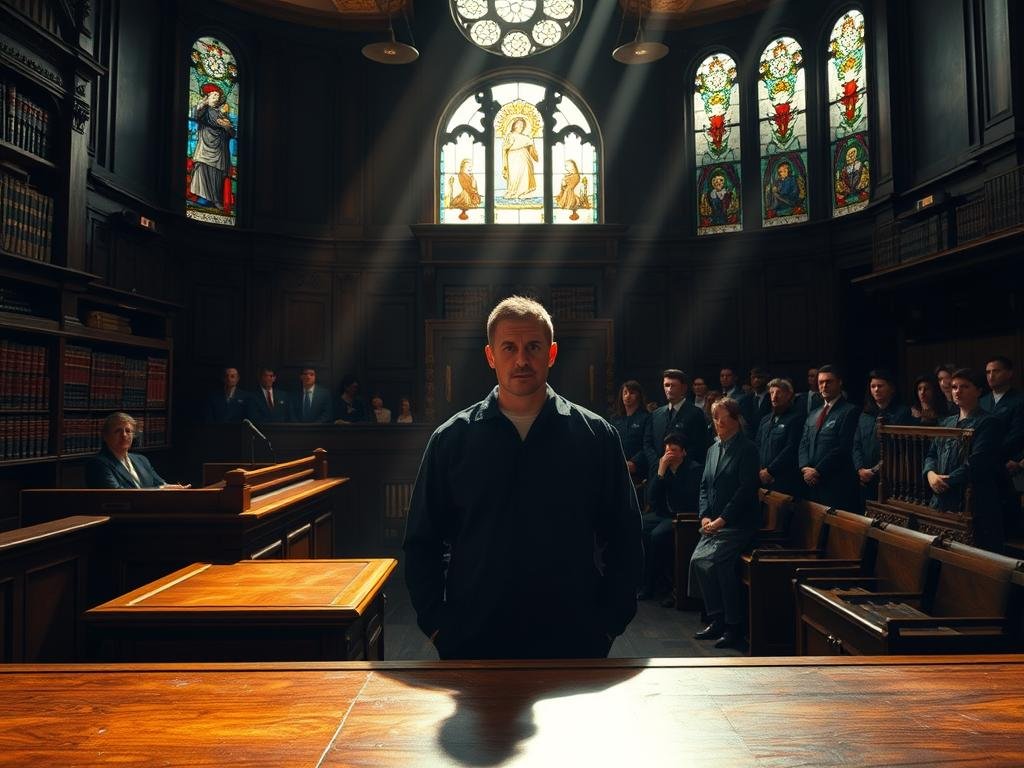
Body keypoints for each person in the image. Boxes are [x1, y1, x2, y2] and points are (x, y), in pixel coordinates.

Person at [403, 296, 643, 660]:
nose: (521, 360)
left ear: (551, 353)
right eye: (509, 348)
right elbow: (422, 541)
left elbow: (625, 537)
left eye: (533, 347)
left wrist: (608, 624)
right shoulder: (451, 439)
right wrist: (438, 626)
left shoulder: (596, 436)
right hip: (473, 639)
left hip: (573, 639)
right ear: (490, 356)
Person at [689, 397, 760, 649]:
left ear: (736, 419)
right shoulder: (712, 449)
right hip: (714, 522)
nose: (717, 422)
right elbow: (704, 487)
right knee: (698, 561)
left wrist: (722, 519)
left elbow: (745, 490)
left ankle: (733, 626)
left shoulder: (747, 449)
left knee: (719, 563)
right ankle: (716, 618)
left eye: (722, 417)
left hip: (738, 523)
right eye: (714, 417)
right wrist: (705, 515)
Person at [923, 368, 1005, 552]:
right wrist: (930, 474)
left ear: (978, 391)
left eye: (964, 387)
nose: (957, 391)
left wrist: (947, 480)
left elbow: (978, 462)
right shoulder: (946, 422)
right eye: (954, 387)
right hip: (942, 498)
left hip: (973, 500)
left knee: (976, 555)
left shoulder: (989, 422)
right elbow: (931, 454)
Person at [640, 432, 702, 604]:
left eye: (674, 450)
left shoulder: (694, 470)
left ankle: (661, 586)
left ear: (683, 452)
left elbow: (687, 500)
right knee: (638, 525)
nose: (670, 454)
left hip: (682, 516)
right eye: (667, 451)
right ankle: (645, 582)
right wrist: (660, 473)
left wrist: (671, 476)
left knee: (657, 536)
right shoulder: (662, 467)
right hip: (662, 514)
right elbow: (651, 499)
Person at [798, 364, 859, 512]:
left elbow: (843, 447)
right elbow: (803, 443)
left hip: (834, 482)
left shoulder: (849, 411)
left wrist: (818, 471)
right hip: (810, 482)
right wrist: (805, 468)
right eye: (821, 382)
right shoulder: (814, 413)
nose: (824, 386)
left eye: (829, 382)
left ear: (839, 382)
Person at [852, 369, 913, 509]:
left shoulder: (902, 413)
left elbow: (900, 448)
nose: (876, 390)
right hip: (864, 478)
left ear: (891, 388)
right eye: (873, 386)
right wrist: (860, 468)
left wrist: (874, 470)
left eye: (880, 386)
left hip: (890, 478)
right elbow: (856, 444)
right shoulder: (865, 414)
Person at [85, 413, 189, 489]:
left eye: (128, 431)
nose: (124, 435)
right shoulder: (98, 463)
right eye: (118, 431)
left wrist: (175, 488)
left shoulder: (141, 459)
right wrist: (160, 489)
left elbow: (160, 483)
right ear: (105, 436)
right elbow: (117, 493)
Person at [643, 369, 710, 470]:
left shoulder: (696, 414)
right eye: (666, 385)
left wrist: (677, 462)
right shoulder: (656, 414)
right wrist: (657, 464)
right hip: (657, 471)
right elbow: (648, 443)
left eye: (673, 385)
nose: (669, 389)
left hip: (685, 471)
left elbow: (699, 445)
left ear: (683, 388)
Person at [755, 377, 804, 498]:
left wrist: (770, 471)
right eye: (772, 392)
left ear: (788, 395)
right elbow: (757, 446)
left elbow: (791, 449)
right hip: (762, 478)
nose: (774, 396)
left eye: (778, 392)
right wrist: (760, 470)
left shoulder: (797, 418)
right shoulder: (765, 420)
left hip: (784, 480)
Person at [189, 84, 234, 209]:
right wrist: (201, 105)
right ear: (207, 97)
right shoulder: (204, 109)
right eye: (214, 95)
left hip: (220, 148)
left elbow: (232, 133)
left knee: (217, 173)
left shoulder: (222, 114)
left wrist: (227, 127)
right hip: (205, 145)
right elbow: (194, 115)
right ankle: (202, 199)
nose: (216, 97)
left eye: (218, 95)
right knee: (202, 169)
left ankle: (215, 199)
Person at [611, 379, 650, 482]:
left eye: (632, 393)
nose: (627, 396)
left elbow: (648, 445)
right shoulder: (615, 419)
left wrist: (634, 462)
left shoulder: (646, 418)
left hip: (637, 470)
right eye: (625, 393)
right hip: (616, 467)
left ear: (638, 396)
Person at [502, 117, 538, 199]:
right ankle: (513, 192)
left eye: (522, 126)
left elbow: (531, 149)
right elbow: (506, 147)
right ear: (514, 126)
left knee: (524, 174)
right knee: (514, 174)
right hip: (513, 157)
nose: (521, 127)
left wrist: (531, 142)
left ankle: (523, 193)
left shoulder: (525, 137)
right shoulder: (510, 135)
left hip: (524, 158)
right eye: (519, 125)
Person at [739, 366, 771, 439]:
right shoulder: (744, 400)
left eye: (760, 377)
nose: (756, 380)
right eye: (753, 378)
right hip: (748, 439)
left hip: (765, 437)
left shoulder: (772, 398)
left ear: (766, 379)